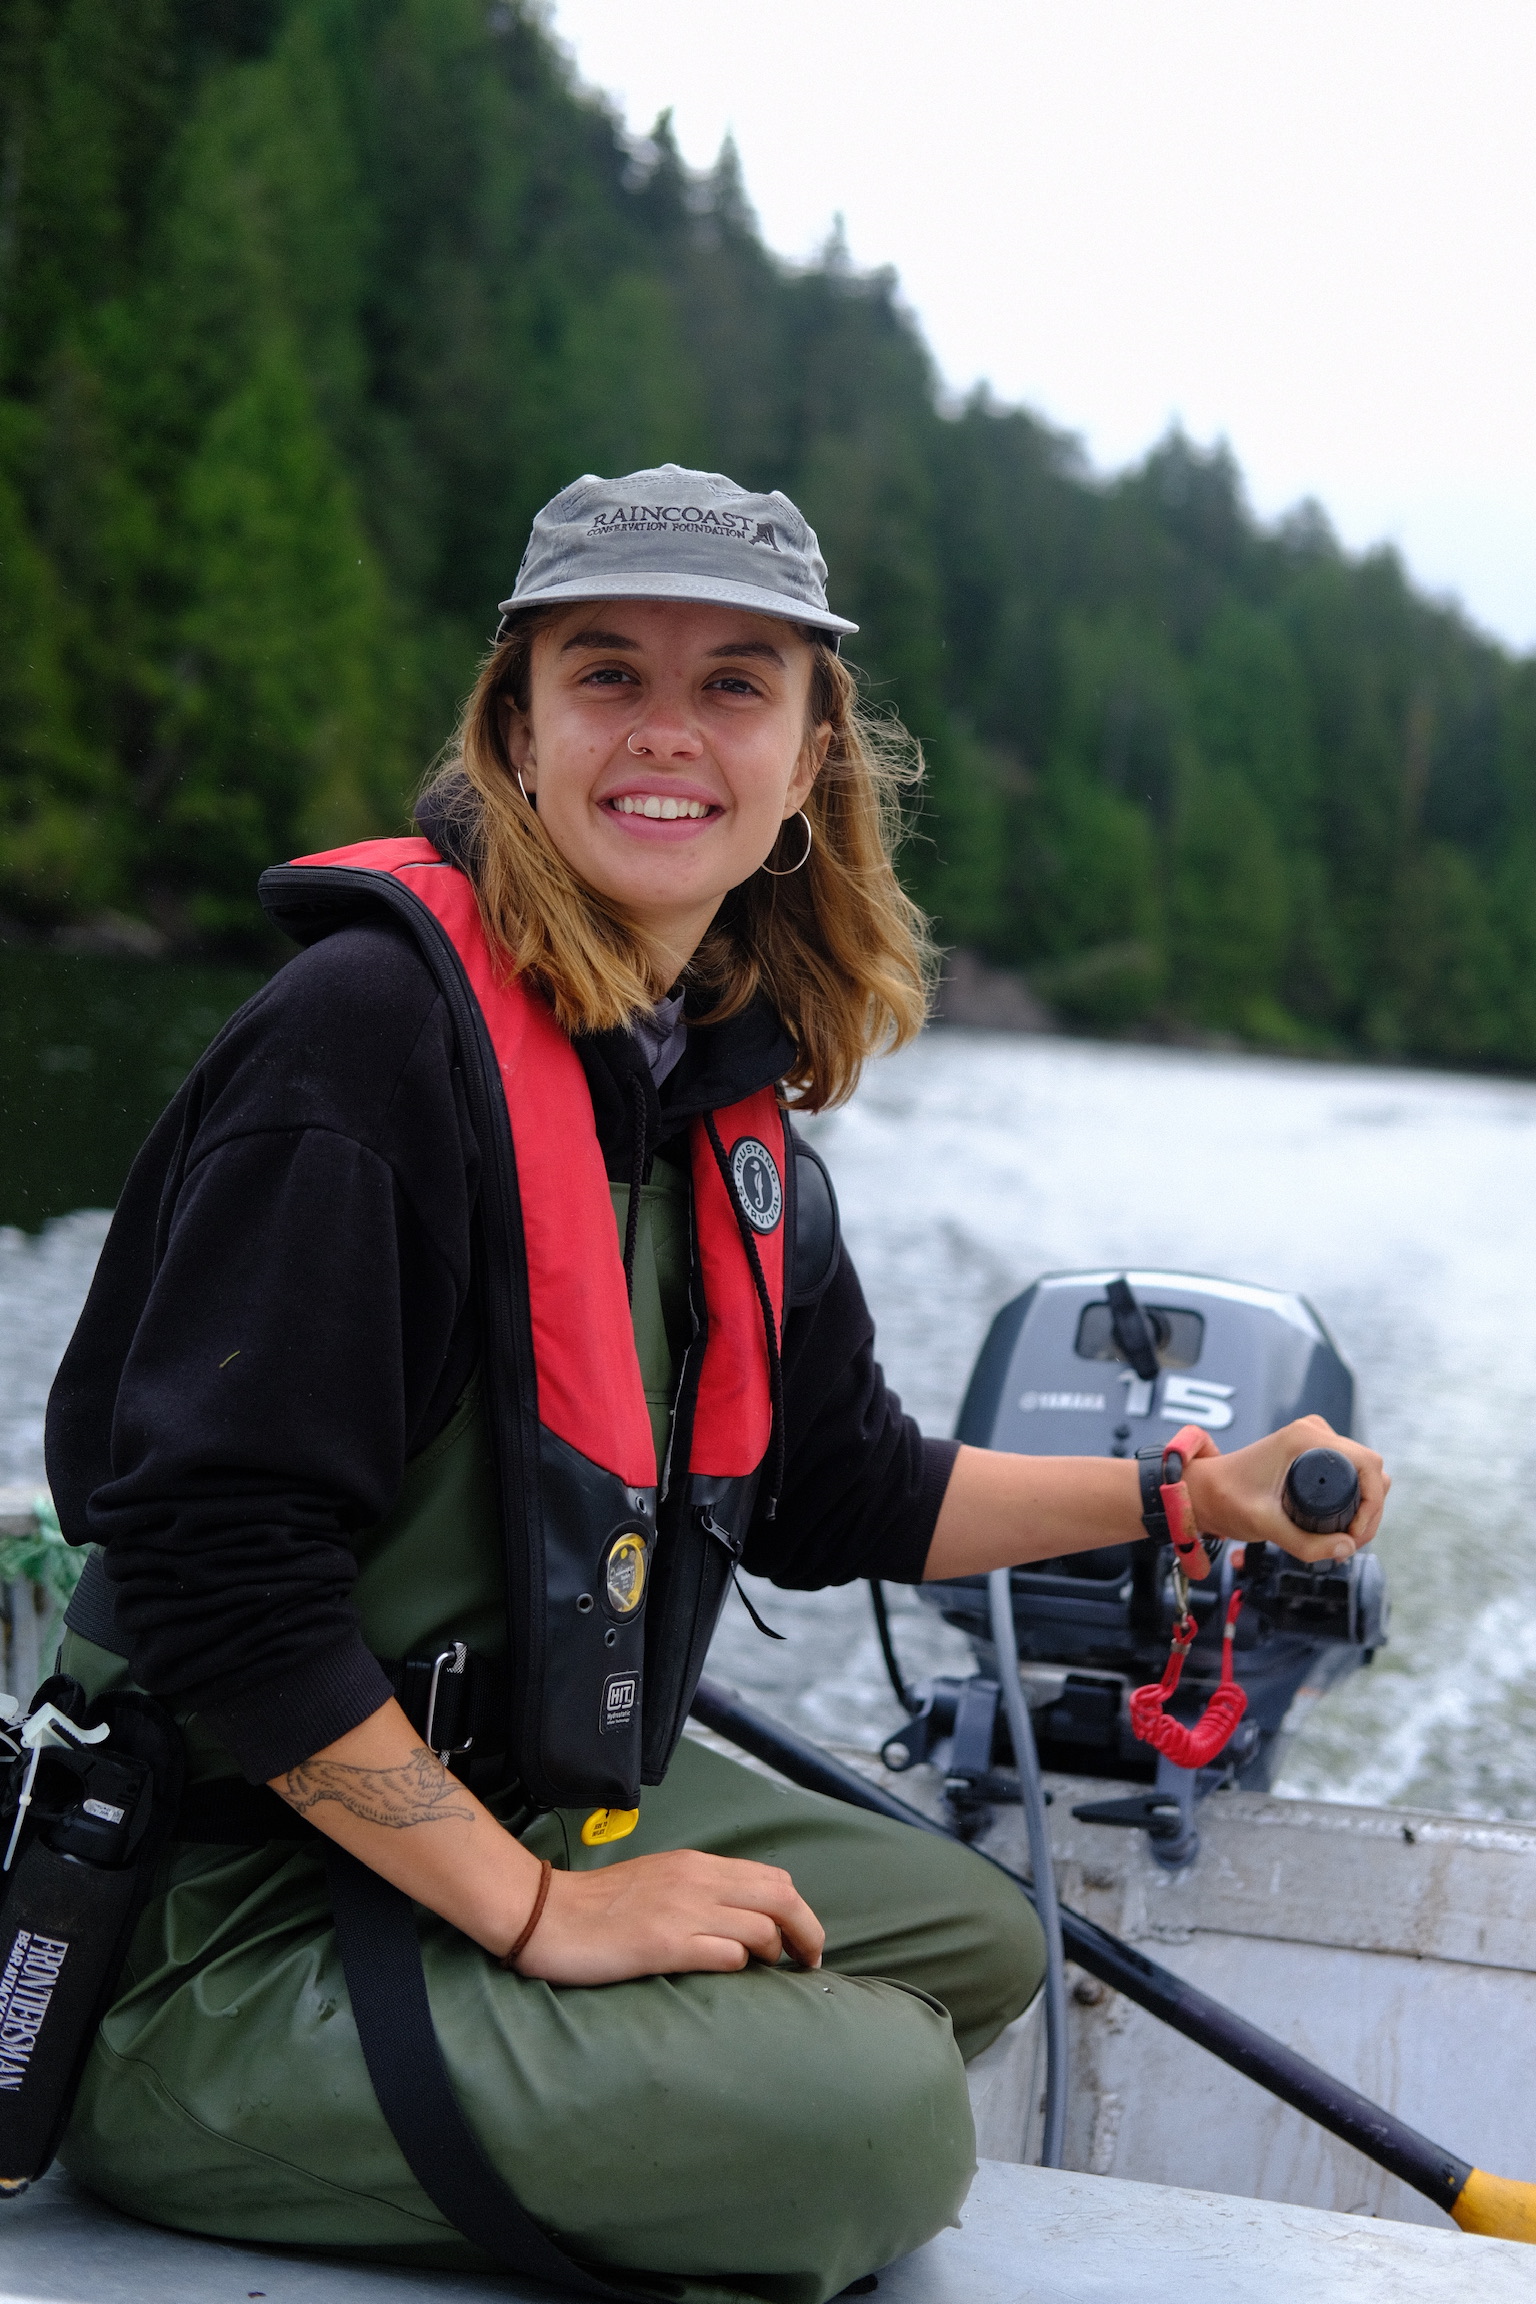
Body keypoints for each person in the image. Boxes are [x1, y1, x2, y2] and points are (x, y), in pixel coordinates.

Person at [44, 465, 1388, 2303]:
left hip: (489, 1804)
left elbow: (855, 1491)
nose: (667, 734)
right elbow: (212, 1575)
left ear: (811, 751)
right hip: (215, 1916)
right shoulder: (361, 1049)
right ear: (515, 728)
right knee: (880, 2123)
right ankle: (274, 2093)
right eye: (608, 675)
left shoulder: (713, 1119)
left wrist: (1189, 1497)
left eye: (736, 683)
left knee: (975, 1945)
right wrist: (543, 1914)